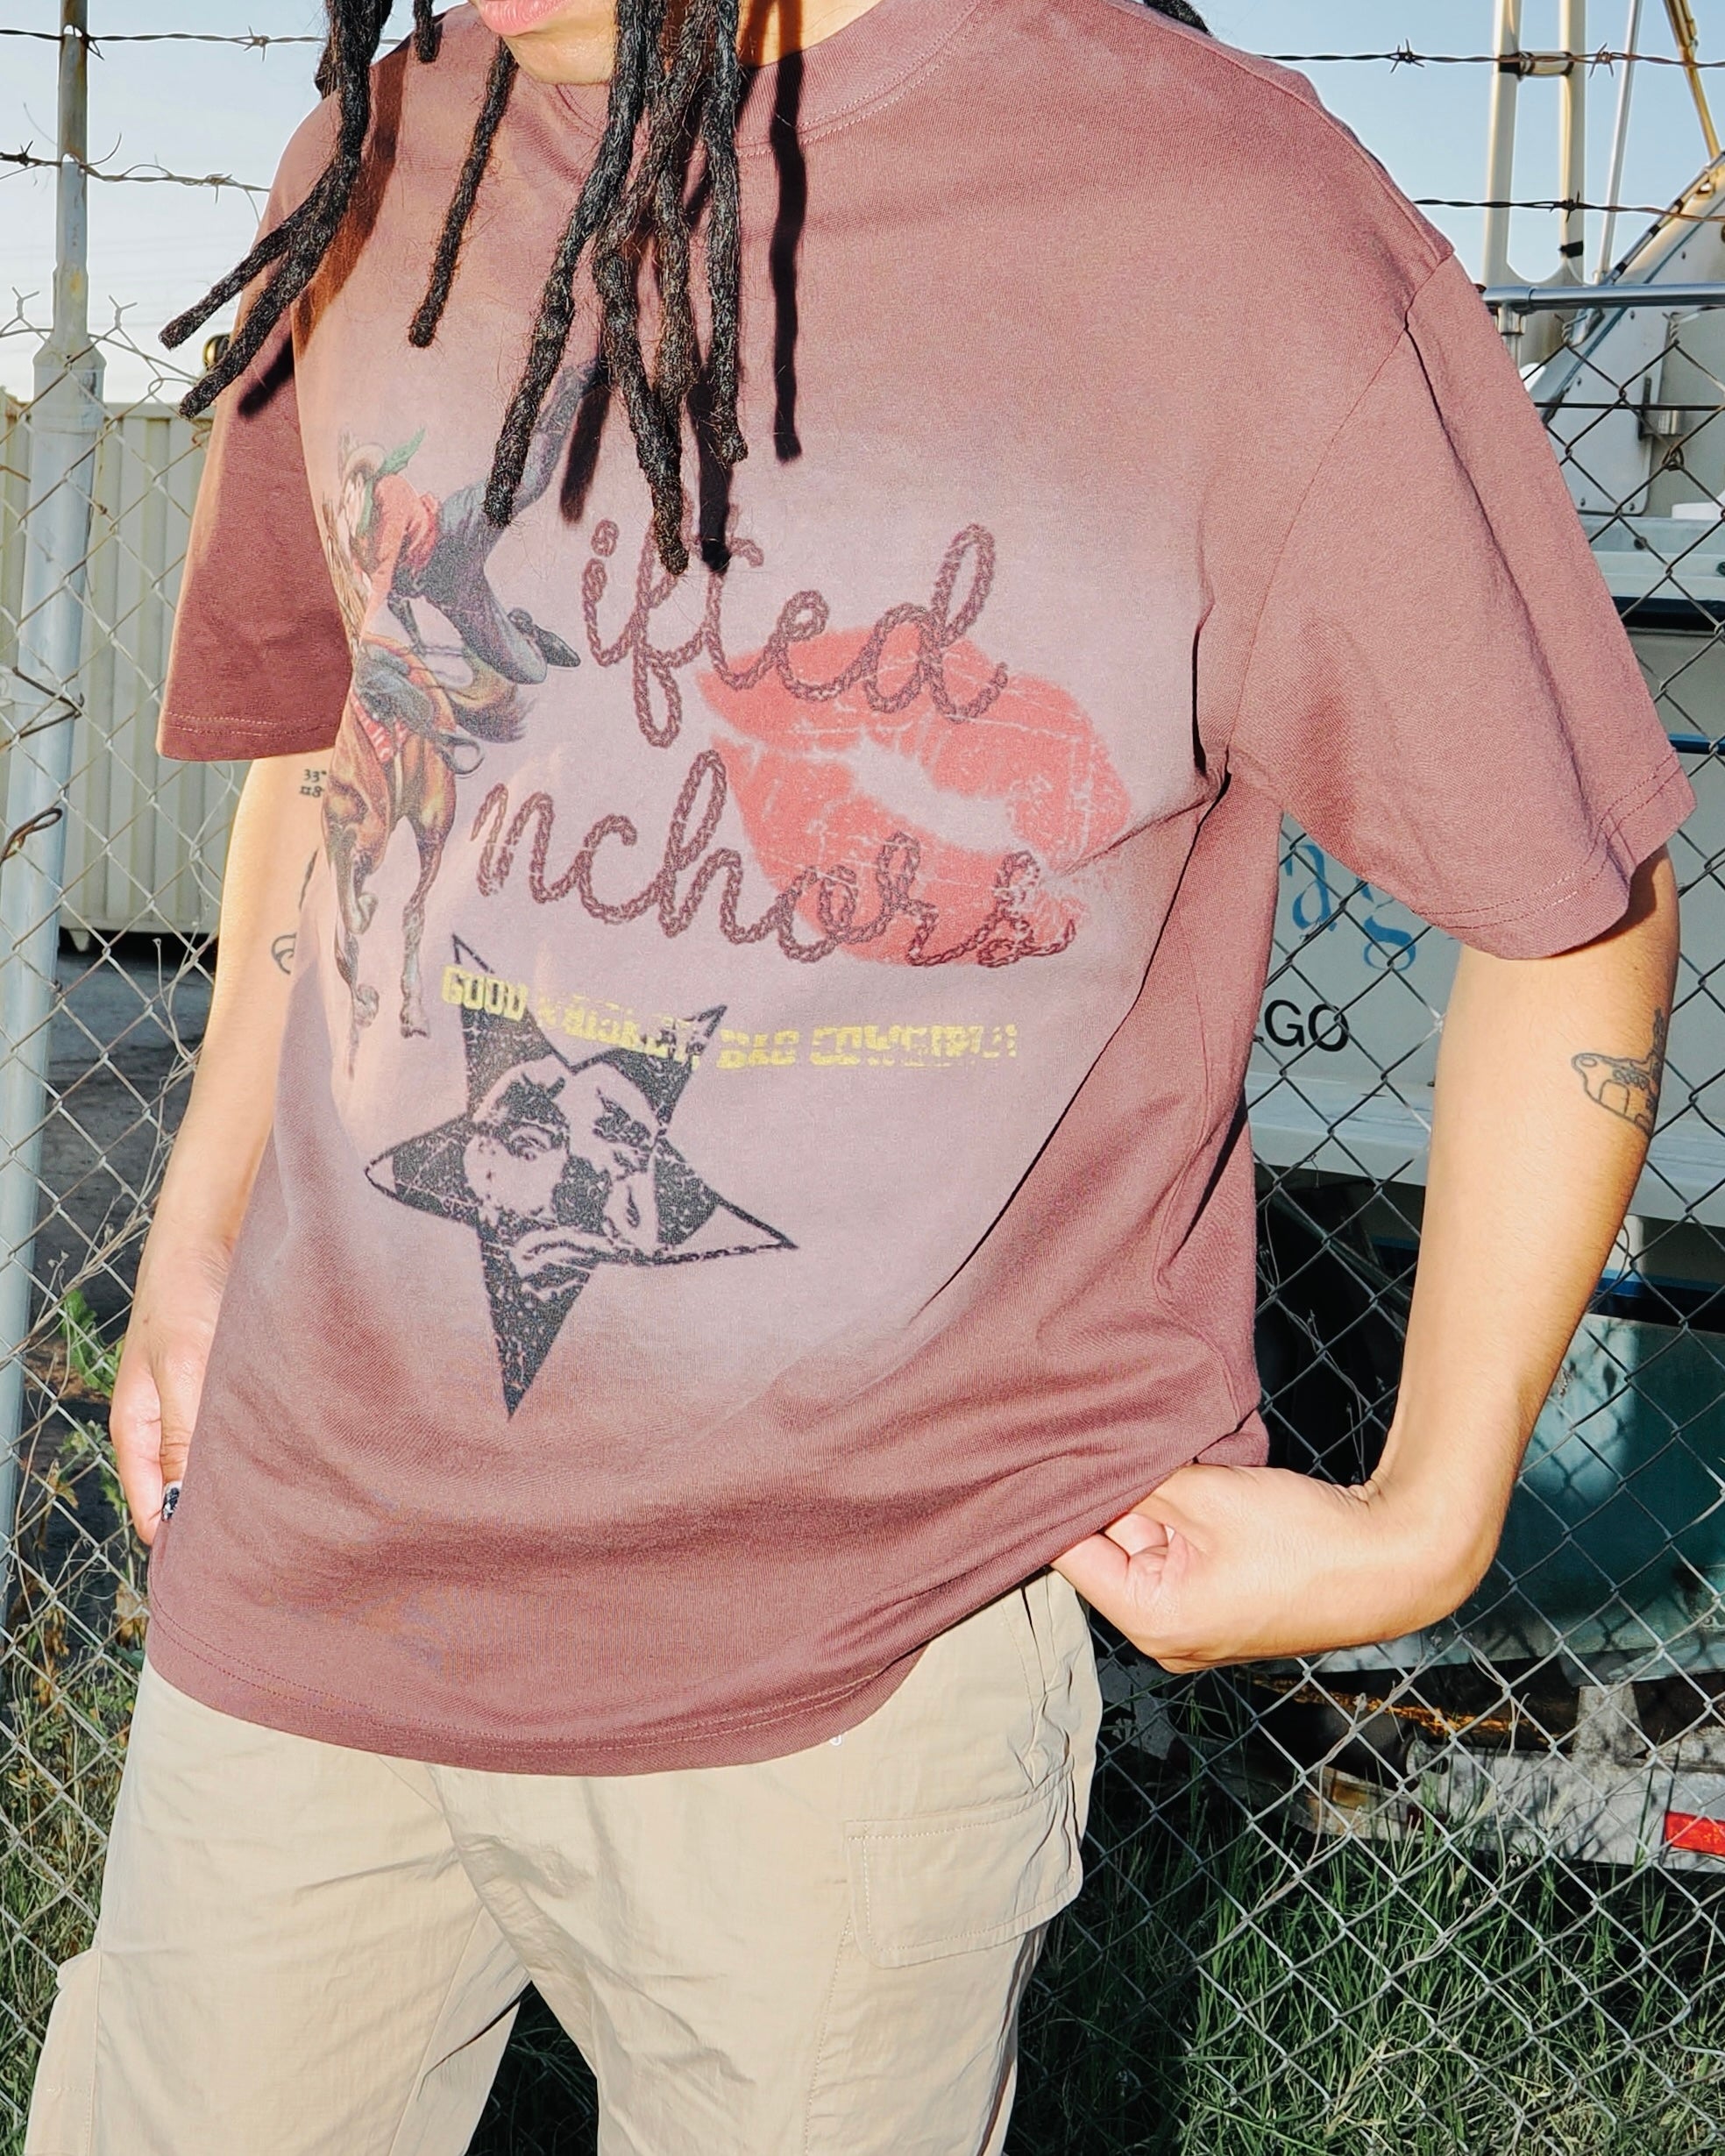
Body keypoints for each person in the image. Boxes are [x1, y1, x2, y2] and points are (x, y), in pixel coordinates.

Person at [25, 0, 1690, 2149]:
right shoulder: (380, 167)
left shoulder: (1222, 219)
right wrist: (198, 1231)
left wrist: (1432, 1512)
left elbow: (1571, 900)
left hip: (853, 1669)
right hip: (302, 1589)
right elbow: (363, 738)